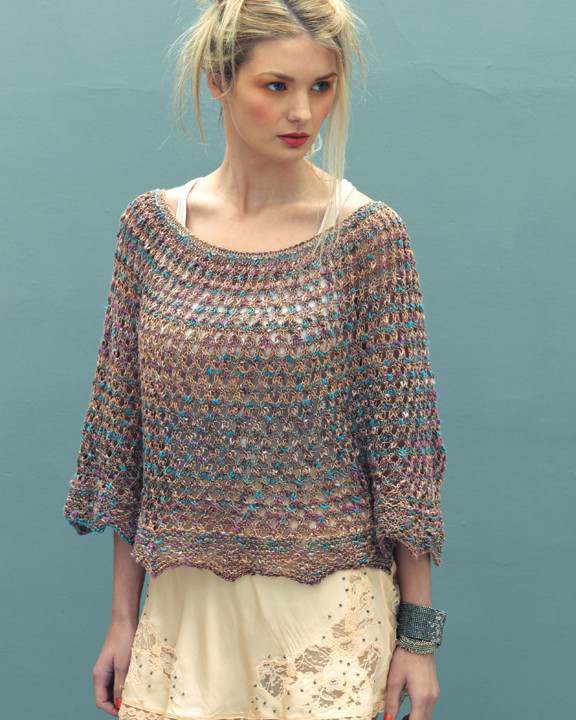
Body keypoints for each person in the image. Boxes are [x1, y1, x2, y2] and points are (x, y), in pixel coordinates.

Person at [63, 2, 448, 720]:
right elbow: (126, 443)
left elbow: (404, 457)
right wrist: (122, 618)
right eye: (276, 86)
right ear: (219, 80)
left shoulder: (366, 237)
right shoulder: (150, 232)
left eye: (322, 86)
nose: (303, 112)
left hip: (326, 613)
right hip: (183, 609)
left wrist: (418, 641)